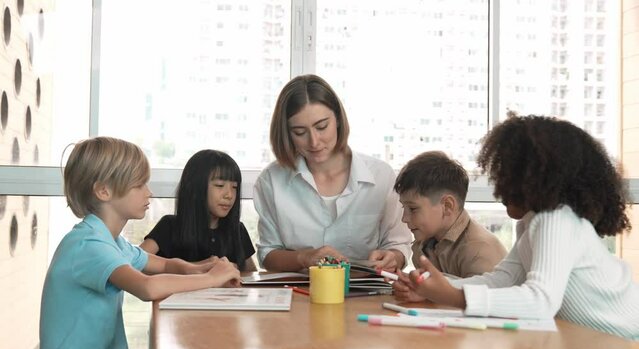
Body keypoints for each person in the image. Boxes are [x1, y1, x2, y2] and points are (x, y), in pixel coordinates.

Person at [393, 114, 639, 340]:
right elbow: (504, 279)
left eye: (506, 174)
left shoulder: (556, 220)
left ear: (535, 178)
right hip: (598, 343)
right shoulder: (531, 223)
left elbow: (541, 300)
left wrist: (453, 296)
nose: (499, 183)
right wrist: (433, 289)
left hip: (627, 343)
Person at [40, 137, 241, 349]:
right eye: (139, 185)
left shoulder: (112, 242)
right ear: (104, 191)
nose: (149, 193)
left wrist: (201, 267)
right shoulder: (88, 246)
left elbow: (161, 264)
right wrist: (211, 279)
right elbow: (147, 287)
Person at [253, 74, 411, 272]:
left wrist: (393, 258)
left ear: (337, 119)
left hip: (367, 295)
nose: (314, 141)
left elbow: (399, 245)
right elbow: (267, 255)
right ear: (286, 133)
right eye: (300, 132)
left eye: (321, 127)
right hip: (299, 295)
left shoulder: (381, 176)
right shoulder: (271, 181)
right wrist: (304, 257)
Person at [394, 151, 506, 278]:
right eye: (404, 207)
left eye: (413, 209)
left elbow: (475, 297)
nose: (404, 218)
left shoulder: (479, 251)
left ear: (447, 206)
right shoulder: (423, 246)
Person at [140, 150, 257, 271]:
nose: (229, 195)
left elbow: (252, 276)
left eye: (234, 187)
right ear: (195, 188)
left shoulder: (238, 230)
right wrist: (201, 267)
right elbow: (134, 265)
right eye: (219, 185)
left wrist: (234, 269)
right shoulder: (169, 226)